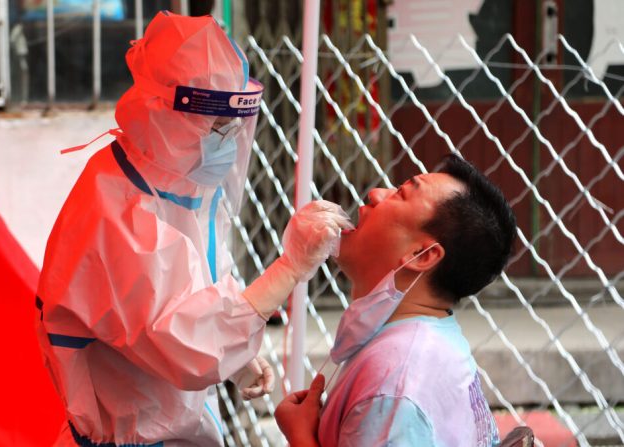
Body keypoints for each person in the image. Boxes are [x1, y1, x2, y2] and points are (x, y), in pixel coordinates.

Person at [35, 11, 352, 446]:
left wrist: (235, 355)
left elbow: (196, 287)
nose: (227, 139)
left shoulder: (181, 184)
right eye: (216, 126)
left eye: (233, 126)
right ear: (161, 113)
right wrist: (289, 268)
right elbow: (181, 342)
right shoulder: (121, 208)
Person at [274, 154, 517, 446]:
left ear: (422, 256)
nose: (375, 194)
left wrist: (300, 436)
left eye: (400, 194)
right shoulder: (434, 338)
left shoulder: (394, 384)